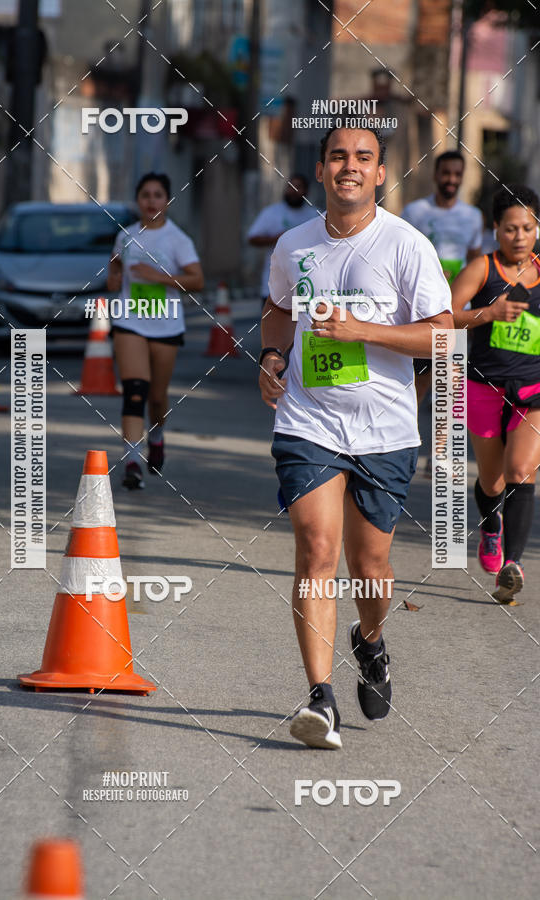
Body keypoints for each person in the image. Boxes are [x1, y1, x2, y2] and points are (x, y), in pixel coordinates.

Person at [258, 126, 452, 749]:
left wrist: (365, 331)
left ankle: (369, 641)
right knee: (317, 548)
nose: (349, 166)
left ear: (379, 174)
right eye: (338, 156)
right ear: (320, 170)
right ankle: (321, 699)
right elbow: (276, 309)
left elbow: (443, 335)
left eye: (362, 158)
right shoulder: (293, 244)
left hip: (386, 430)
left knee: (371, 570)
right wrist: (270, 354)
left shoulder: (406, 245)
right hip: (307, 421)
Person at [451, 184, 540, 605]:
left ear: (537, 229)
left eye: (527, 227)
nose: (519, 236)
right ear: (495, 230)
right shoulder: (481, 269)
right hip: (484, 386)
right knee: (492, 480)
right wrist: (490, 312)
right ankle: (491, 527)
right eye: (510, 229)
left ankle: (514, 565)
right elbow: (443, 316)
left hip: (532, 391)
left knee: (521, 470)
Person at [107, 173, 204, 489]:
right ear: (138, 200)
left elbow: (196, 281)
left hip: (165, 323)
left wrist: (158, 276)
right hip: (129, 322)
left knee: (157, 399)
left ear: (168, 201)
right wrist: (114, 273)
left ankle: (157, 437)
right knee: (135, 391)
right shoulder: (126, 236)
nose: (151, 201)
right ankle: (132, 460)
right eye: (145, 195)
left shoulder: (178, 240)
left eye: (158, 195)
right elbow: (117, 271)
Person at [401, 151, 483, 473]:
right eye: (445, 173)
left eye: (456, 174)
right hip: (419, 314)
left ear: (461, 177)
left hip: (454, 315)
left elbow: (476, 261)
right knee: (416, 387)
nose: (451, 179)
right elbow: (401, 255)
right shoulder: (415, 211)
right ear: (436, 175)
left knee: (450, 386)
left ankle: (438, 455)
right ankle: (401, 448)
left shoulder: (472, 216)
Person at [247, 174, 319, 305]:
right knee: (272, 325)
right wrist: (276, 239)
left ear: (306, 191)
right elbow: (252, 238)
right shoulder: (272, 213)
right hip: (273, 287)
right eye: (290, 187)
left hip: (307, 288)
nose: (293, 191)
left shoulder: (315, 215)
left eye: (298, 187)